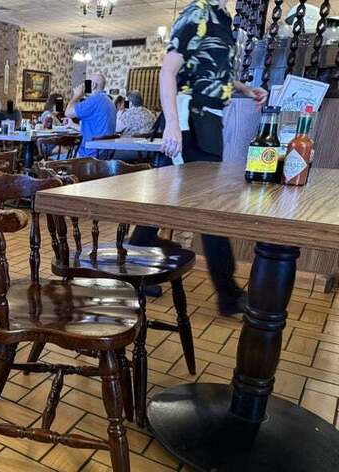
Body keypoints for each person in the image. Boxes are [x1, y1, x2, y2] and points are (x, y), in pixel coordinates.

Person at [130, 0, 268, 316]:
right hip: (190, 122)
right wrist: (173, 126)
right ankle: (228, 294)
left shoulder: (223, 18)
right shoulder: (199, 12)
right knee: (209, 210)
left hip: (208, 123)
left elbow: (211, 72)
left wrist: (244, 89)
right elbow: (168, 71)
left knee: (167, 204)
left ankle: (136, 270)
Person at [65, 73, 116, 157]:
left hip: (89, 154)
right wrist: (72, 125)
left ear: (93, 85)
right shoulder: (110, 101)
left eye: (86, 83)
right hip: (106, 154)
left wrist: (76, 96)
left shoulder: (93, 101)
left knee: (50, 158)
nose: (84, 86)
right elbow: (95, 130)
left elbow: (67, 113)